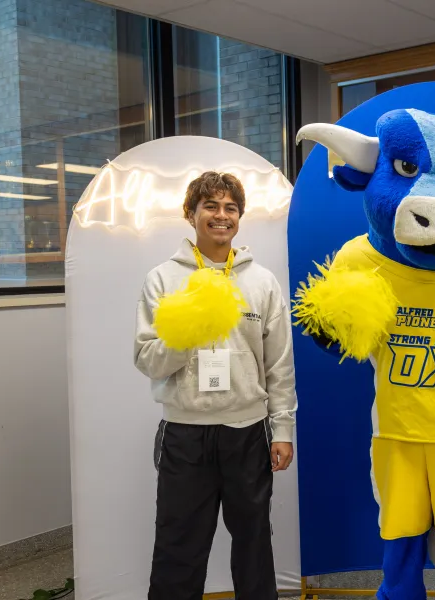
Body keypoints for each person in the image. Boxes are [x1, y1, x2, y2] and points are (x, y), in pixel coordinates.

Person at [134, 171, 297, 600]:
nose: (221, 215)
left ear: (239, 217)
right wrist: (190, 329)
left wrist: (282, 429)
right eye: (210, 206)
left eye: (230, 208)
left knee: (254, 543)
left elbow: (279, 364)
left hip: (248, 431)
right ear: (191, 214)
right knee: (178, 546)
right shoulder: (163, 279)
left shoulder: (261, 281)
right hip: (185, 433)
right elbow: (147, 358)